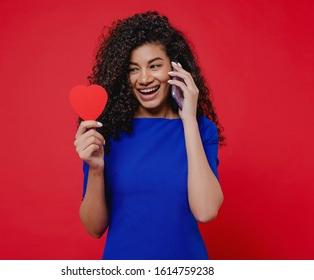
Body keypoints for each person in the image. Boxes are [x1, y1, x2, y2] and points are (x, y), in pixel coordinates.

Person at [74, 11, 224, 260]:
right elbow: (94, 228)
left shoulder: (201, 129)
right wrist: (97, 168)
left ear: (175, 68)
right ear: (124, 76)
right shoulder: (106, 131)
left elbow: (206, 211)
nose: (144, 79)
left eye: (155, 65)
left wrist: (188, 119)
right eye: (134, 69)